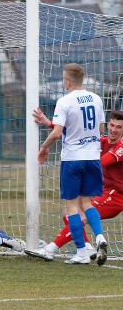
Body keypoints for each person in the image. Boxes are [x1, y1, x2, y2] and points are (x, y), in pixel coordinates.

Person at [25, 63, 107, 265]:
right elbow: (101, 129)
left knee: (71, 206)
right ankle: (100, 237)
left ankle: (81, 252)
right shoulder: (96, 99)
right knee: (86, 203)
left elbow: (57, 133)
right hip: (92, 158)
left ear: (68, 81)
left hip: (72, 159)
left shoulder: (64, 101)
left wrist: (44, 147)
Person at [27, 107, 123, 265]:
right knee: (68, 214)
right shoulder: (103, 142)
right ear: (107, 125)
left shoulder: (120, 148)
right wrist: (50, 123)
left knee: (80, 217)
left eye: (119, 127)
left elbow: (100, 163)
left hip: (116, 196)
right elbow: (76, 134)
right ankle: (86, 250)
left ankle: (50, 249)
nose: (114, 130)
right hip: (103, 191)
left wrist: (76, 165)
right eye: (112, 125)